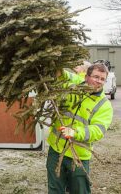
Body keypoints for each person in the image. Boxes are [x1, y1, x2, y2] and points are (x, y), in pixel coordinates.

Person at [47, 63, 113, 194]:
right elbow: (62, 76)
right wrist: (58, 64)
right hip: (56, 150)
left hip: (79, 157)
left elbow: (97, 130)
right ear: (87, 76)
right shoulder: (76, 84)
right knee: (55, 190)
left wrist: (76, 133)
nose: (98, 81)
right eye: (95, 77)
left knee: (80, 191)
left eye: (102, 79)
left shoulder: (104, 105)